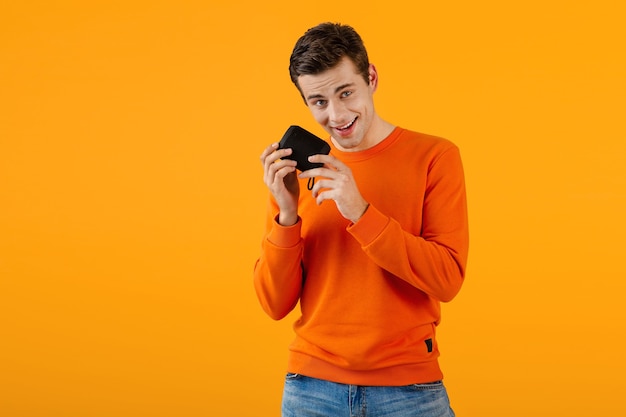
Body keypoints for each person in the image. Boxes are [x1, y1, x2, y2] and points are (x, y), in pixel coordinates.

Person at [254, 22, 469, 417]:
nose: (336, 114)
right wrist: (286, 215)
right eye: (318, 101)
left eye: (346, 92)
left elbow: (447, 278)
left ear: (371, 78)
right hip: (310, 390)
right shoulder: (298, 174)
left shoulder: (434, 157)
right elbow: (274, 304)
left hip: (410, 391)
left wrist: (361, 212)